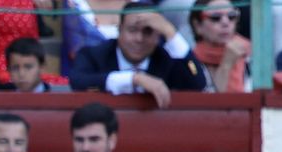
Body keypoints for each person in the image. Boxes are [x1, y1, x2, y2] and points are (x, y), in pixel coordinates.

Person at [68, 0, 206, 107]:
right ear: (119, 30)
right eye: (132, 30)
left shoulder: (165, 58)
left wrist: (170, 32)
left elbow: (197, 83)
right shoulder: (94, 54)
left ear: (158, 35)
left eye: (147, 32)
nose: (139, 39)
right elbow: (78, 81)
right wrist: (133, 79)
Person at [189, 0, 250, 92]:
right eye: (215, 18)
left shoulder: (251, 56)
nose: (225, 22)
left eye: (231, 16)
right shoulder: (190, 63)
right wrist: (227, 63)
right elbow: (215, 101)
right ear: (198, 26)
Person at [2, 36, 69, 92]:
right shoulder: (0, 97)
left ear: (41, 67)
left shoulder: (58, 97)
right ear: (8, 69)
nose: (21, 74)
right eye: (15, 68)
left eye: (28, 67)